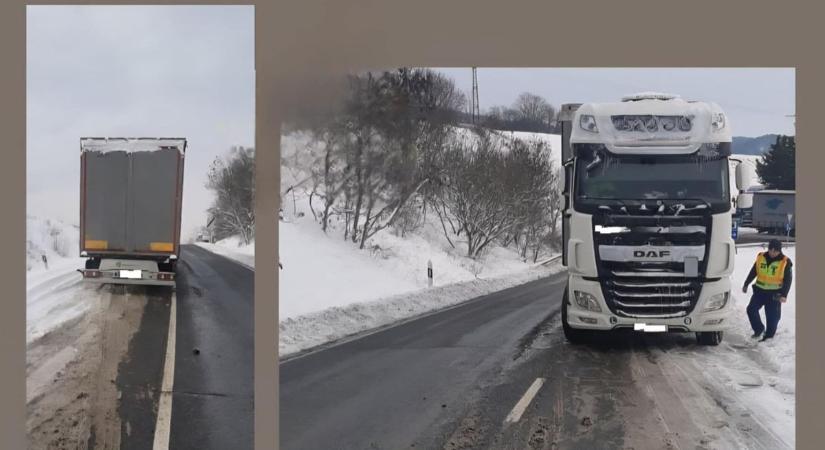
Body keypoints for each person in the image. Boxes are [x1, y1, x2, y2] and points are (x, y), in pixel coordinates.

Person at [742, 239, 793, 342]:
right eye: (770, 250)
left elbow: (788, 280)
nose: (772, 253)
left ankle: (768, 337)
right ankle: (759, 329)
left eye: (775, 251)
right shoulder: (761, 257)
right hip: (760, 292)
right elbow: (754, 271)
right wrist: (746, 283)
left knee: (772, 318)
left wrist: (784, 295)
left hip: (775, 294)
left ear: (779, 250)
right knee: (751, 309)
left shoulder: (785, 262)